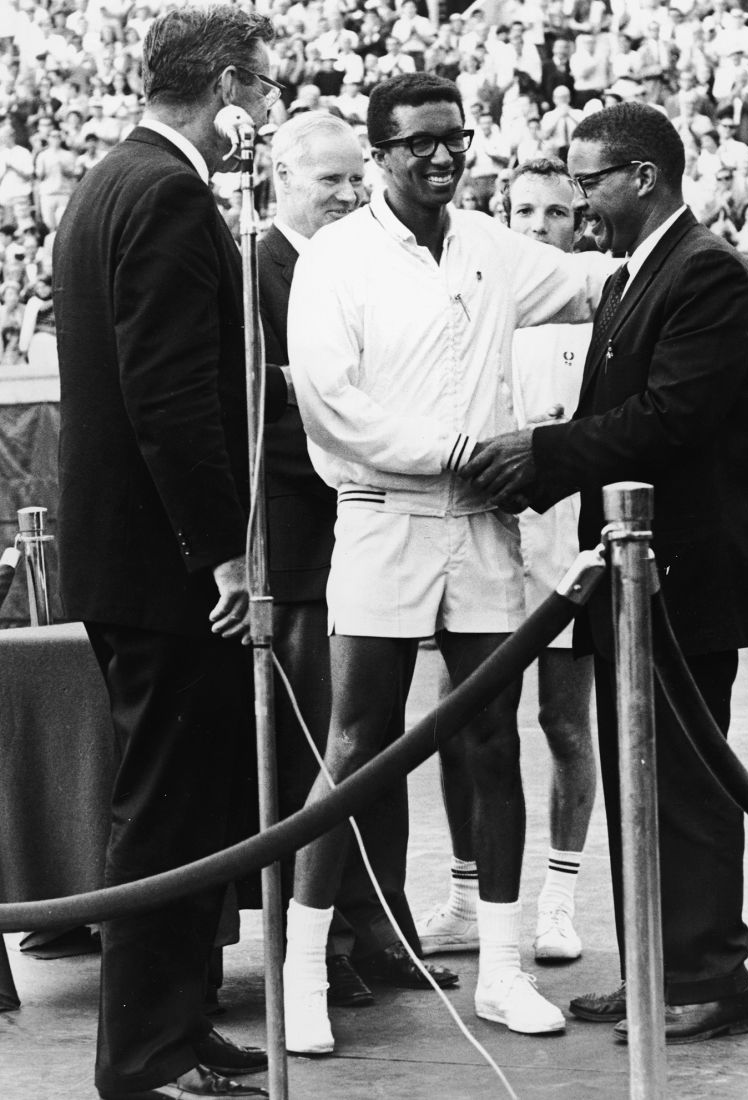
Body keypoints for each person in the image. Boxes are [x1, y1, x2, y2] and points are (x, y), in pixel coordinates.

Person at [283, 72, 612, 1053]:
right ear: (382, 153)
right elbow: (331, 405)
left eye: (453, 139)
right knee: (353, 744)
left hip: (481, 529)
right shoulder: (336, 257)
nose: (440, 156)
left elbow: (602, 278)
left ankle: (504, 969)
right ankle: (302, 973)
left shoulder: (490, 244)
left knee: (490, 743)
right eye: (418, 142)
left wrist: (735, 260)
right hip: (382, 515)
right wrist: (457, 450)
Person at [461, 100, 748, 1044]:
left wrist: (542, 455)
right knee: (643, 782)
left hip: (683, 582)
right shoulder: (639, 276)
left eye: (590, 180)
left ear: (642, 176)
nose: (580, 197)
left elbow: (670, 417)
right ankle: (657, 968)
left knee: (684, 788)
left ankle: (710, 980)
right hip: (638, 582)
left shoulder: (705, 272)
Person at [53, 7, 292, 1098]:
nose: (264, 115)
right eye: (262, 91)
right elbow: (172, 401)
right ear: (228, 85)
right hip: (166, 568)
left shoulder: (115, 180)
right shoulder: (163, 193)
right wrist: (224, 558)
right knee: (162, 806)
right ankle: (146, 1051)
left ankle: (182, 1023)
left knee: (191, 799)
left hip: (134, 557)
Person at [256, 109, 456, 1021]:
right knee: (329, 746)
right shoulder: (254, 269)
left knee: (379, 740)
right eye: (329, 181)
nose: (347, 195)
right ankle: (327, 945)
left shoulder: (375, 257)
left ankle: (384, 929)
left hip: (380, 533)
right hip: (304, 545)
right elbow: (273, 425)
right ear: (281, 179)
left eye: (352, 178)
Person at [422, 158, 597, 967]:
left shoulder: (594, 314)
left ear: (577, 224)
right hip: (482, 542)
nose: (538, 226)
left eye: (556, 213)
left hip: (565, 545)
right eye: (523, 211)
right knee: (467, 723)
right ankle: (464, 897)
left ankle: (558, 901)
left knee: (564, 722)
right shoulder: (471, 303)